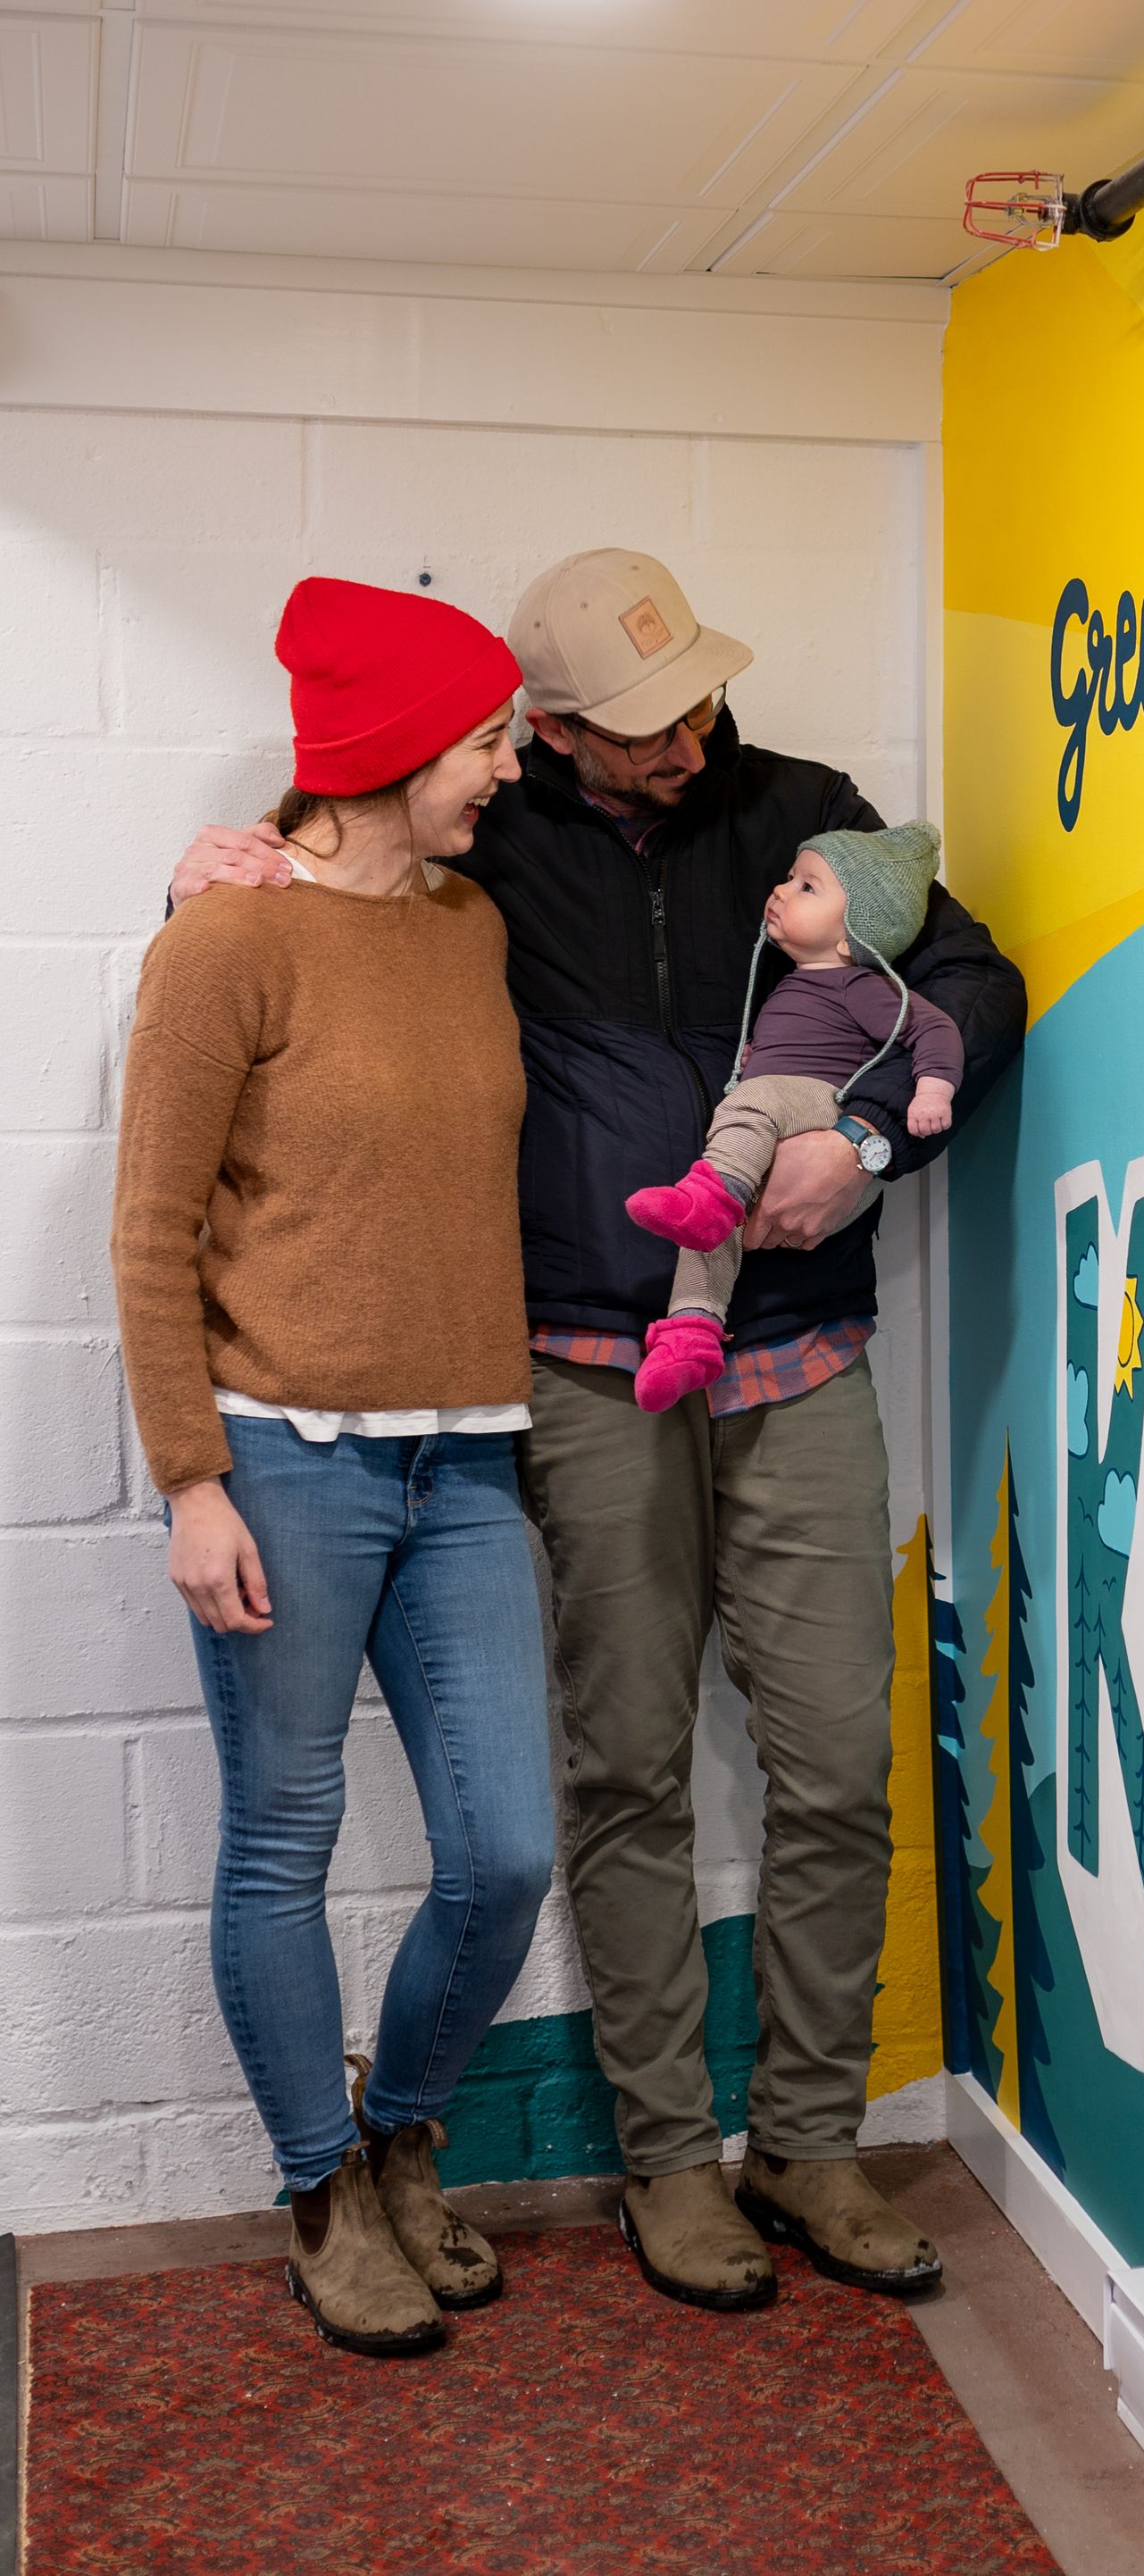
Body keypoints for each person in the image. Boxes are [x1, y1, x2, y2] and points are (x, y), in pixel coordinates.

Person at [171, 548, 1027, 2314]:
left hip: (799, 1361)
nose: (690, 735)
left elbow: (978, 985)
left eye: (703, 691)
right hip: (571, 1378)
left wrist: (867, 1149)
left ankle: (807, 2133)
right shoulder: (489, 851)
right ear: (543, 727)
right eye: (642, 724)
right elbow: (313, 921)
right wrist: (196, 871)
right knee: (620, 1776)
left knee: (835, 1767)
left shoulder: (809, 815)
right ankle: (665, 2160)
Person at [114, 579, 557, 2357]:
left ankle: (400, 2135)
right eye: (483, 740)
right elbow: (149, 1238)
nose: (507, 771)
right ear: (386, 753)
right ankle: (319, 2186)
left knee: (503, 1850)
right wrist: (188, 1477)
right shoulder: (222, 942)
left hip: (464, 1457)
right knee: (280, 1837)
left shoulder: (470, 931)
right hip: (280, 1459)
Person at [626, 821, 962, 1412]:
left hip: (819, 1107)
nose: (781, 890)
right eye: (788, 877)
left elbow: (931, 1026)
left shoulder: (859, 984)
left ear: (850, 933)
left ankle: (713, 1193)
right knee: (712, 1234)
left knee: (753, 1108)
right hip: (784, 1108)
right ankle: (691, 1335)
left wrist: (933, 1089)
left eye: (808, 887)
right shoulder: (791, 985)